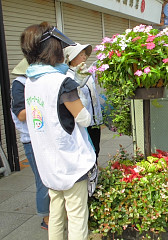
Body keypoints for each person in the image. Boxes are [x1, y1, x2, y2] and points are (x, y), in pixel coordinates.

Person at [20, 21, 96, 240]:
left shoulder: (31, 81)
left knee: (56, 213)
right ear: (54, 49)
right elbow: (84, 119)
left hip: (48, 163)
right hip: (70, 162)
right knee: (77, 215)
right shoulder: (62, 82)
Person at [10, 58, 50, 230]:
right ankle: (46, 218)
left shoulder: (36, 82)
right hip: (32, 140)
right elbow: (21, 114)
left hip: (44, 137)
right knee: (42, 179)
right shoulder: (20, 84)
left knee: (50, 177)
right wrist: (42, 103)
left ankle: (53, 214)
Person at [64, 43, 103, 163]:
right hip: (83, 122)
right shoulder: (68, 76)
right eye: (81, 55)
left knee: (96, 149)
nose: (84, 57)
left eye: (85, 55)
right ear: (72, 58)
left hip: (94, 120)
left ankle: (95, 173)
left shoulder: (85, 71)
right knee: (87, 151)